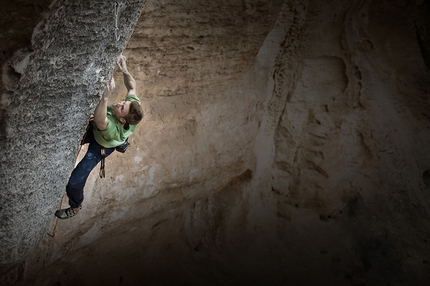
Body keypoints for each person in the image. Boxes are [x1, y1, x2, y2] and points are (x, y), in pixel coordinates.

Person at [55, 55, 144, 219]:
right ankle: (121, 143)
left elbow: (100, 121)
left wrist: (104, 97)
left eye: (122, 107)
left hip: (101, 146)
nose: (119, 103)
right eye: (123, 102)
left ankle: (75, 206)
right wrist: (124, 69)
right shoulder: (133, 109)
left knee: (74, 183)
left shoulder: (114, 129)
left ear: (122, 120)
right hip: (98, 129)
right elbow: (132, 87)